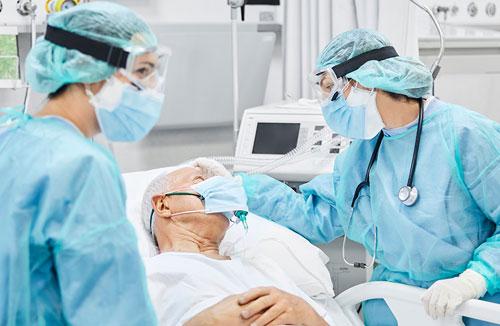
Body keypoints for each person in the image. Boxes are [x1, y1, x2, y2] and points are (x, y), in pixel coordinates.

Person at [234, 29, 499, 325]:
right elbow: (318, 214)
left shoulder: (466, 135)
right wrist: (236, 188)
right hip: (394, 303)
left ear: (361, 83)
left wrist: (474, 280)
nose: (328, 103)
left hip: (475, 304)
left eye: (329, 88)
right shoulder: (362, 153)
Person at [0, 2, 169, 324]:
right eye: (142, 70)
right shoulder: (82, 167)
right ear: (91, 71)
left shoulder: (8, 138)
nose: (151, 89)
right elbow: (113, 313)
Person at [141, 166, 345, 325]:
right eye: (200, 181)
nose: (219, 189)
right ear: (163, 205)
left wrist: (303, 312)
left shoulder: (262, 267)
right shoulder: (150, 274)